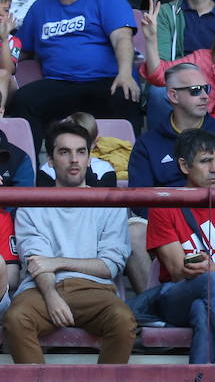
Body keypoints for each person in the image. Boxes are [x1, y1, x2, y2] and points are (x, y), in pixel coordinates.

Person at [3, 119, 136, 364]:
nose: (74, 159)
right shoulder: (32, 205)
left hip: (94, 289)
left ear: (89, 158)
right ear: (50, 161)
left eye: (80, 152)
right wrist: (52, 296)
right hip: (40, 290)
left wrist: (57, 262)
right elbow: (36, 262)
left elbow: (110, 265)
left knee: (123, 319)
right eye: (64, 152)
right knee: (16, 318)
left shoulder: (110, 204)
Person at [138, 128, 215, 365]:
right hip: (174, 297)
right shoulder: (164, 205)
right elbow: (178, 271)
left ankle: (201, 381)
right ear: (184, 166)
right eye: (205, 161)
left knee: (202, 309)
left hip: (210, 302)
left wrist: (213, 275)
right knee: (211, 285)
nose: (214, 169)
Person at [9, 0, 141, 132]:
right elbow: (22, 49)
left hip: (104, 81)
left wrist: (125, 73)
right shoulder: (41, 7)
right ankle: (29, 161)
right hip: (59, 83)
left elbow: (122, 38)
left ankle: (125, 160)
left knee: (126, 94)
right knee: (24, 100)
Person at [128, 60, 215, 189]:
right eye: (195, 90)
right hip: (165, 208)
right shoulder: (147, 144)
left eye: (206, 88)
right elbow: (140, 203)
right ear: (173, 96)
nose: (205, 96)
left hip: (214, 208)